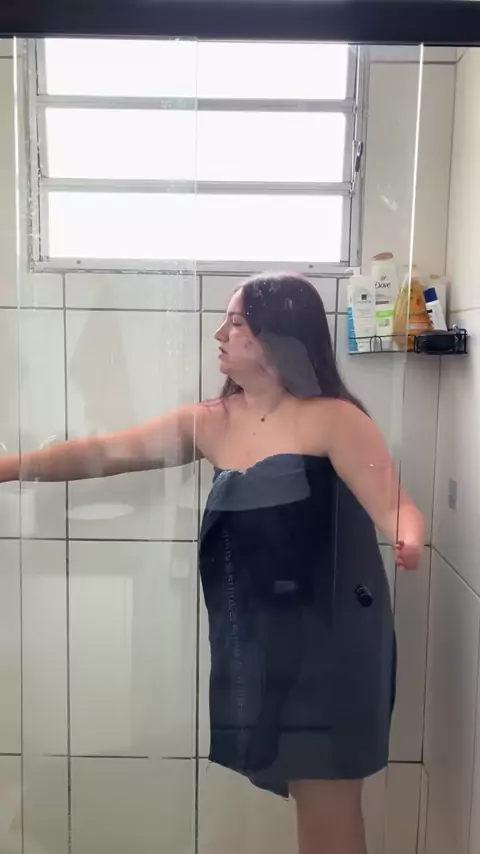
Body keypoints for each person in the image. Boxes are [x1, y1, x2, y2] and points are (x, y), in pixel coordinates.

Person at [0, 272, 423, 854]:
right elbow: (105, 452)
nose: (219, 333)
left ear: (279, 338)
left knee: (329, 801)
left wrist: (407, 536)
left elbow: (395, 504)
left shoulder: (334, 419)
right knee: (305, 791)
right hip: (257, 640)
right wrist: (12, 466)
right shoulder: (212, 421)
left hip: (331, 640)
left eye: (237, 322)